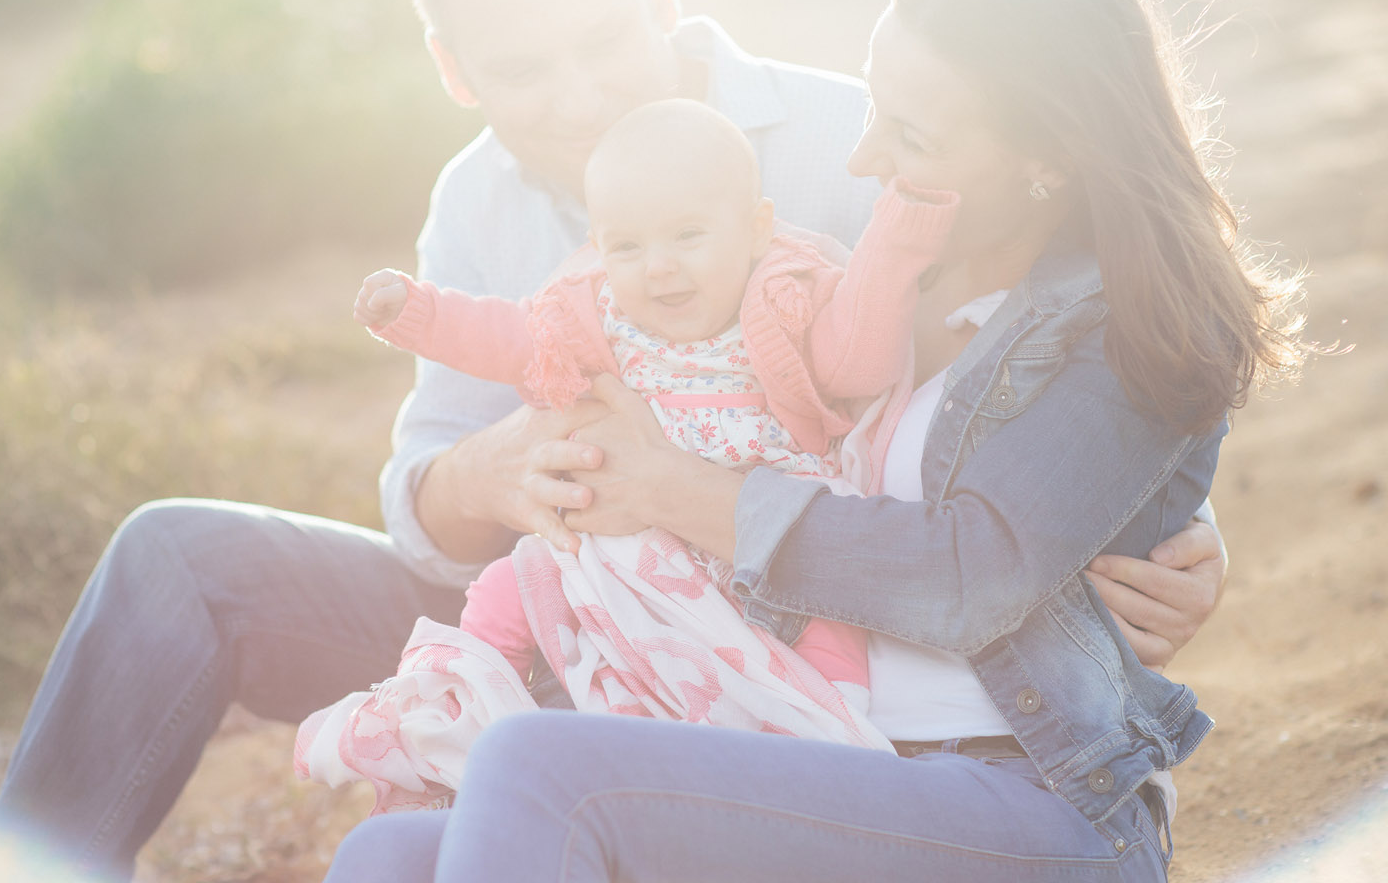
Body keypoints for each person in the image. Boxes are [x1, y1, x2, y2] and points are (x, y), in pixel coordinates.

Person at [0, 0, 1226, 879]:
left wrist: (1173, 521)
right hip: (571, 610)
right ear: (457, 67)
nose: (577, 95)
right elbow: (428, 517)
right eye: (522, 68)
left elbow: (1057, 363)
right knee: (182, 561)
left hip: (796, 646)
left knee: (541, 770)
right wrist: (490, 471)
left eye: (601, 39)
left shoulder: (861, 145)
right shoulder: (475, 199)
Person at [320, 0, 1308, 883]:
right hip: (834, 749)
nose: (862, 157)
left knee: (542, 771)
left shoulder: (1113, 319)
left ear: (1046, 155)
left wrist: (671, 487)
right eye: (875, 106)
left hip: (1031, 799)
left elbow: (974, 574)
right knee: (387, 855)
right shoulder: (863, 274)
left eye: (908, 136)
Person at [293, 99, 957, 811]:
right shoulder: (597, 317)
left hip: (749, 536)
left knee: (829, 626)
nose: (659, 268)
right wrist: (419, 314)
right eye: (628, 247)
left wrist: (900, 234)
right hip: (625, 540)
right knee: (513, 582)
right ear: (599, 246)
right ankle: (455, 700)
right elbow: (508, 337)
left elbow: (863, 354)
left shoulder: (787, 301)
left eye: (688, 236)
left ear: (757, 228)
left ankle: (824, 742)